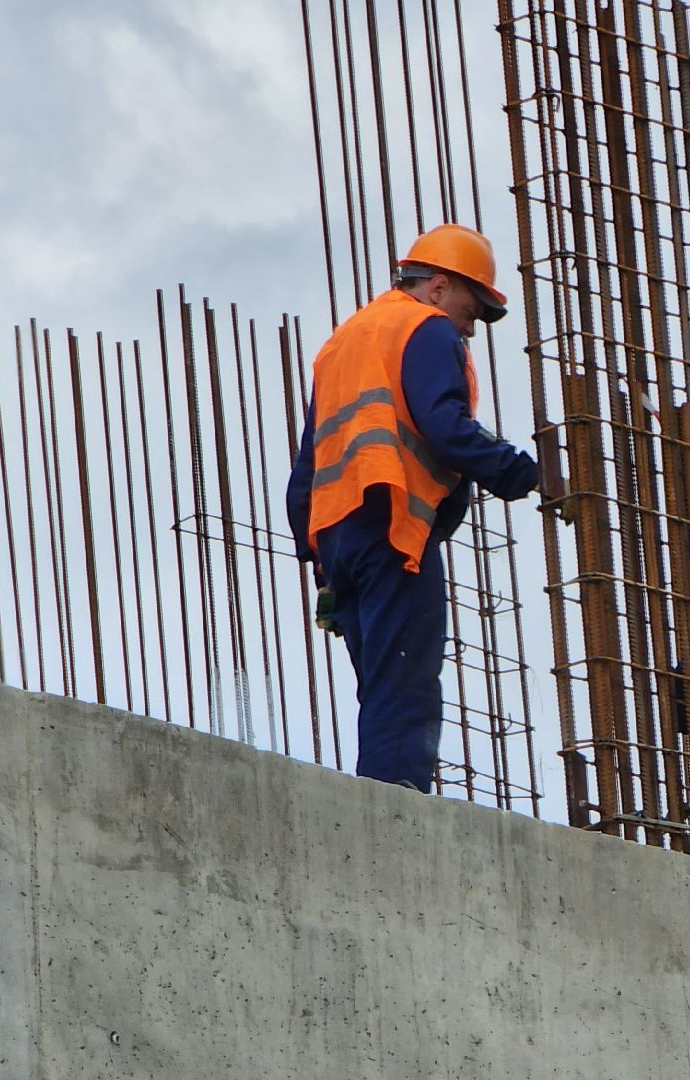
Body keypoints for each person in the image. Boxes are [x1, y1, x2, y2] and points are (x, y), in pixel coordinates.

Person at [286, 223, 537, 793]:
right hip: (395, 523)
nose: (470, 328)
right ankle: (395, 811)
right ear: (439, 286)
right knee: (406, 680)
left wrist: (319, 561)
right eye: (470, 311)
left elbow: (308, 464)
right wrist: (521, 472)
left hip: (339, 536)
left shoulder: (344, 340)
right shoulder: (424, 327)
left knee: (380, 682)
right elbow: (446, 428)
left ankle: (377, 796)